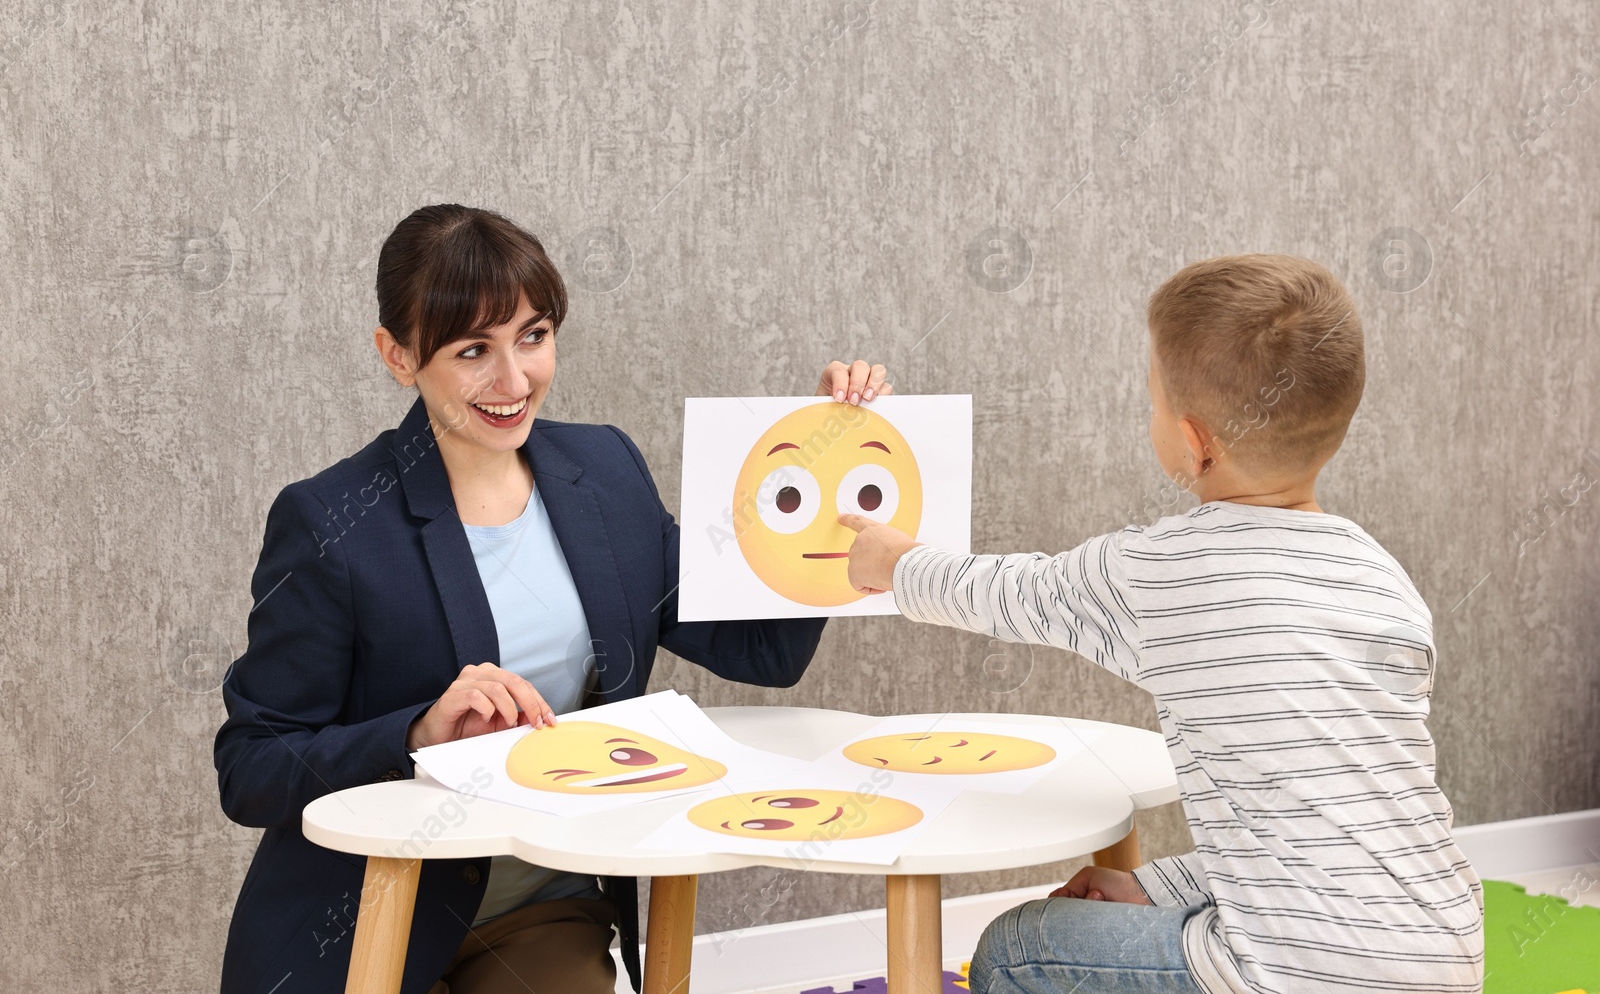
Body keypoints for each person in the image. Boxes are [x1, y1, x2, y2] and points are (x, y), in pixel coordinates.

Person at [214, 203, 893, 994]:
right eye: (474, 350)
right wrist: (416, 730)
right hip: (370, 913)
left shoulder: (602, 470)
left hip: (541, 906)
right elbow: (251, 766)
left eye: (533, 337)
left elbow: (763, 651)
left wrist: (818, 460)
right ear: (398, 356)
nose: (514, 380)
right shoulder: (332, 522)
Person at [839, 254, 1484, 994]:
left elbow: (1010, 593)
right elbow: (1325, 822)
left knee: (1018, 948)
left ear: (1194, 441)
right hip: (1445, 951)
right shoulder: (1383, 580)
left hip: (1293, 976)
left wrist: (894, 562)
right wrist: (1158, 887)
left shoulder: (1163, 568)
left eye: (1148, 399)